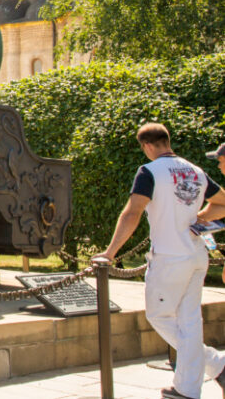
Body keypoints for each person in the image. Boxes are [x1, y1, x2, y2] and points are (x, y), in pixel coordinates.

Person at [94, 123, 225, 399]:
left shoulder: (149, 171)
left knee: (159, 316)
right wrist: (198, 218)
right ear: (167, 140)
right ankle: (190, 387)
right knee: (189, 321)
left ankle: (215, 366)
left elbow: (133, 212)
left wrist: (110, 252)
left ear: (147, 146)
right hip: (196, 254)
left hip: (169, 257)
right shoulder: (195, 170)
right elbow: (223, 201)